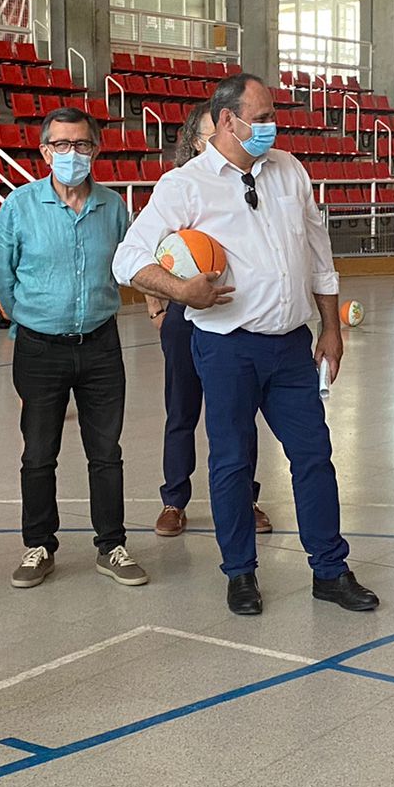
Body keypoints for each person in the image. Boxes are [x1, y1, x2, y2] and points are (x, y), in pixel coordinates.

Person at [115, 72, 378, 618]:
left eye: (272, 114)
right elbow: (127, 258)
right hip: (227, 348)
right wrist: (181, 291)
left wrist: (330, 328)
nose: (270, 126)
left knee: (313, 457)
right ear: (227, 120)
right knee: (232, 463)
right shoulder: (185, 185)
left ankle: (329, 569)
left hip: (290, 347)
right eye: (260, 117)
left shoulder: (290, 169)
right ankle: (240, 574)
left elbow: (319, 254)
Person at [0, 106, 144, 589]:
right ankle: (38, 546)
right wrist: (33, 318)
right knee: (38, 453)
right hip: (39, 349)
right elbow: (3, 278)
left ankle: (112, 546)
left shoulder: (113, 207)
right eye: (60, 145)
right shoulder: (19, 205)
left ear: (95, 150)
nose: (71, 154)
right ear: (44, 151)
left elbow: (127, 264)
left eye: (81, 145)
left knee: (106, 452)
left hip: (101, 345)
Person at [148, 101, 270, 541]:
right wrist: (158, 307)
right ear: (196, 141)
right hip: (184, 314)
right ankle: (174, 500)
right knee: (181, 409)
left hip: (231, 312)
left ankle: (247, 498)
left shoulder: (245, 185)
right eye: (204, 136)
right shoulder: (179, 188)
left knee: (239, 413)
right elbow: (151, 253)